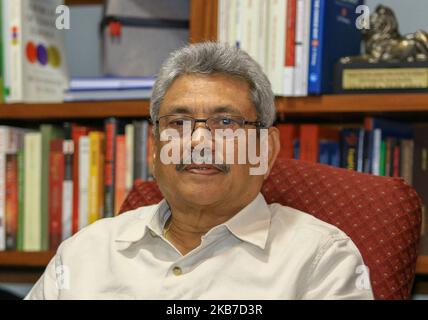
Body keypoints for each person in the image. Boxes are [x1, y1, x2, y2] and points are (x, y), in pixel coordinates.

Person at [26, 42, 373, 300]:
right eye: (178, 122)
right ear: (154, 148)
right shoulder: (84, 253)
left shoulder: (321, 260)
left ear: (266, 150)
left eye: (226, 122)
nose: (200, 141)